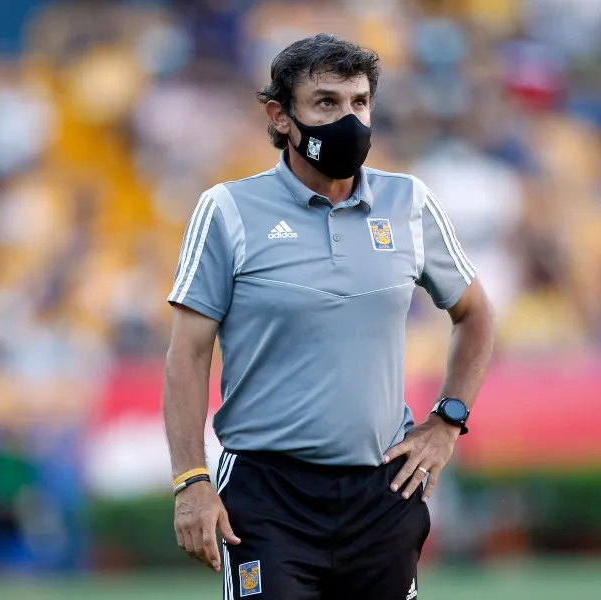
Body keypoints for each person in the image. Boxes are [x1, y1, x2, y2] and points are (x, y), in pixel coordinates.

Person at [162, 33, 496, 600]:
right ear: (281, 115)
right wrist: (190, 480)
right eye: (326, 103)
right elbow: (188, 354)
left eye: (359, 102)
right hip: (267, 497)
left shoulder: (408, 203)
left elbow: (476, 315)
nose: (349, 118)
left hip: (381, 490)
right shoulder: (227, 211)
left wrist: (447, 421)